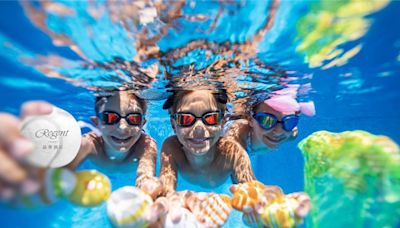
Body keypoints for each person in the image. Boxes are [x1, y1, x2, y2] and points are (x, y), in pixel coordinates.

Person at [0, 90, 161, 203]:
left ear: (143, 123)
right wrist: (33, 168)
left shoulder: (146, 145)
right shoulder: (88, 144)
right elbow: (59, 170)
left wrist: (146, 191)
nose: (123, 128)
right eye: (110, 117)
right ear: (96, 123)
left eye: (133, 119)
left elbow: (145, 177)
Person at [159, 88, 256, 195]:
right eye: (185, 118)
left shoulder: (233, 153)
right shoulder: (172, 148)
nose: (199, 129)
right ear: (173, 125)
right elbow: (166, 193)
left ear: (222, 122)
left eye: (211, 118)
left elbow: (252, 196)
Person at [226, 92, 315, 155]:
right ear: (250, 119)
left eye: (289, 121)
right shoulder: (236, 136)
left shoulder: (291, 133)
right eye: (267, 121)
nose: (279, 131)